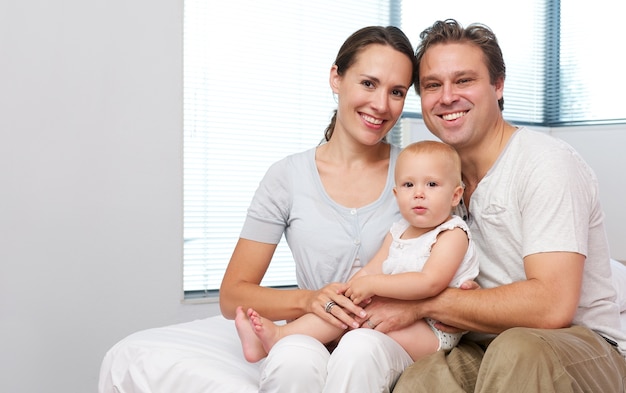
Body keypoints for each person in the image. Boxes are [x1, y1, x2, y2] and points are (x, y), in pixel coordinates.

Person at [391, 19, 626, 393]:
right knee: (422, 379)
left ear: (498, 86)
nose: (447, 96)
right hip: (489, 343)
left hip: (584, 345)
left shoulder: (545, 163)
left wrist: (428, 304)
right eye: (433, 85)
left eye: (464, 80)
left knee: (518, 350)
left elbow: (552, 305)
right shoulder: (436, 181)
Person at [219, 26, 420, 392]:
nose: (381, 105)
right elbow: (232, 294)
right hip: (313, 330)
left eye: (397, 92)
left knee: (359, 351)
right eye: (368, 83)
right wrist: (309, 300)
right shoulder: (287, 177)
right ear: (336, 78)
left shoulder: (418, 175)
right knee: (292, 360)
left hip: (384, 336)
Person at [235, 140, 479, 363]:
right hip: (395, 308)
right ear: (396, 194)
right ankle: (278, 337)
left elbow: (429, 283)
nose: (418, 193)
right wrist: (346, 294)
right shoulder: (398, 230)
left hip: (432, 330)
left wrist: (373, 285)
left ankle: (318, 339)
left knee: (360, 324)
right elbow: (372, 268)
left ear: (455, 195)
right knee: (346, 311)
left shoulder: (452, 234)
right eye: (408, 185)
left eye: (432, 184)